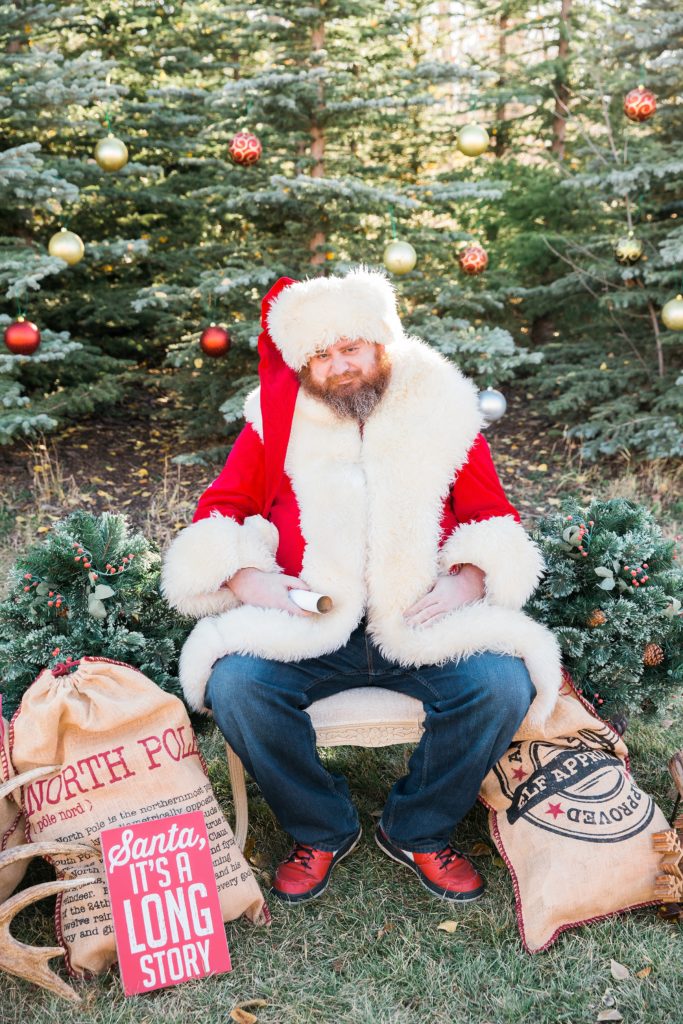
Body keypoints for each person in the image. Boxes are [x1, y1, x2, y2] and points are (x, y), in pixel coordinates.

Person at [161, 267, 562, 905]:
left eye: (350, 347)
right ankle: (320, 826)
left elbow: (494, 519)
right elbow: (219, 510)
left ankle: (419, 827)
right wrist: (247, 579)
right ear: (302, 364)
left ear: (380, 342)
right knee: (237, 684)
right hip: (312, 619)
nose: (340, 365)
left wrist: (471, 579)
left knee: (500, 683)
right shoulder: (275, 419)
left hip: (423, 617)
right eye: (321, 355)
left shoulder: (444, 411)